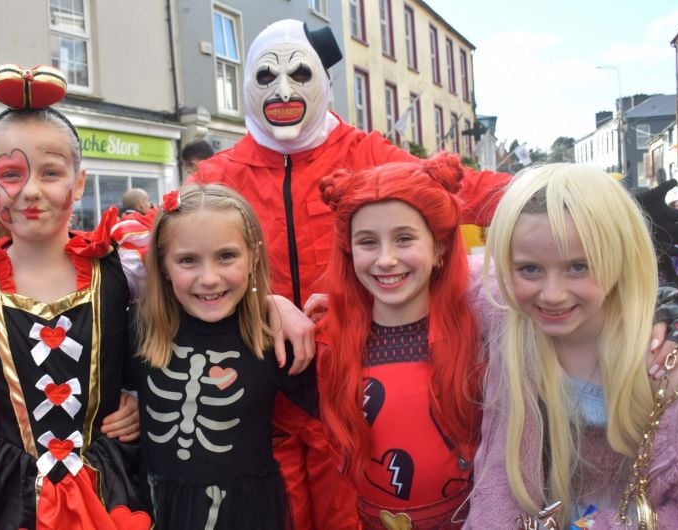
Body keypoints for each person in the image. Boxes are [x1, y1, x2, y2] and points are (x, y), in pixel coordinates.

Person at [190, 19, 510, 529]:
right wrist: (261, 301)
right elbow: (160, 248)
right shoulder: (217, 176)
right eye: (267, 77)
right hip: (256, 401)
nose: (284, 91)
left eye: (299, 73)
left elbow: (466, 191)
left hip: (355, 396)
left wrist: (572, 201)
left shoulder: (366, 155)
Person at [0, 64, 150, 530]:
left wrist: (138, 395)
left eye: (51, 172)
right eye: (12, 173)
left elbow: (197, 303)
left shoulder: (123, 265)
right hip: (9, 493)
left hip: (110, 484)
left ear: (78, 181)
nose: (31, 191)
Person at [467, 164, 678, 528]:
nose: (552, 295)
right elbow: (431, 266)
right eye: (529, 269)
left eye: (578, 266)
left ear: (619, 256)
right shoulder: (506, 317)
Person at [134, 183, 314, 529]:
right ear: (163, 264)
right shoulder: (138, 330)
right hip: (157, 509)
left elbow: (346, 413)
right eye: (187, 260)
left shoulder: (273, 337)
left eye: (226, 256)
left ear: (254, 257)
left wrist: (283, 304)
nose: (209, 278)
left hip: (247, 513)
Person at [317, 154, 482, 529]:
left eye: (404, 239)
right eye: (368, 242)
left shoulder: (483, 336)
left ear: (439, 247)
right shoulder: (325, 345)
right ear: (349, 251)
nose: (386, 259)